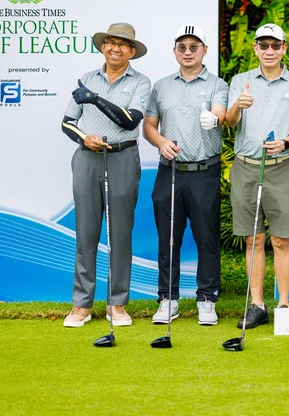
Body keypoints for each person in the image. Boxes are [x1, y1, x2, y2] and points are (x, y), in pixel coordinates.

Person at [60, 23, 151, 328]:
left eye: (123, 44)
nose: (115, 48)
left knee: (120, 232)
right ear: (103, 47)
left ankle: (117, 303)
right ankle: (81, 305)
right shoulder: (87, 79)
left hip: (122, 156)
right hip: (87, 159)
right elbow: (68, 122)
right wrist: (83, 138)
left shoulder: (140, 82)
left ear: (132, 51)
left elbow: (130, 121)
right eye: (110, 43)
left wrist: (95, 99)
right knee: (86, 232)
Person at [143, 25, 229, 325]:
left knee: (206, 238)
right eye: (182, 47)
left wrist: (214, 117)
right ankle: (168, 299)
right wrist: (161, 142)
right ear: (175, 51)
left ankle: (206, 299)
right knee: (168, 238)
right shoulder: (161, 86)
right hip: (170, 172)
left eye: (194, 46)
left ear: (204, 50)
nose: (188, 51)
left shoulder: (218, 84)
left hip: (204, 170)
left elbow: (220, 111)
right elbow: (149, 126)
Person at [227, 23, 289, 328]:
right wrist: (238, 105)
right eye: (264, 45)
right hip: (246, 165)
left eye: (275, 45)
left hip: (282, 166)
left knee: (281, 240)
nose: (270, 51)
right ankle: (258, 304)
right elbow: (230, 122)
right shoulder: (241, 81)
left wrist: (287, 141)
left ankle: (284, 305)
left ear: (284, 48)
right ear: (256, 49)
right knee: (253, 239)